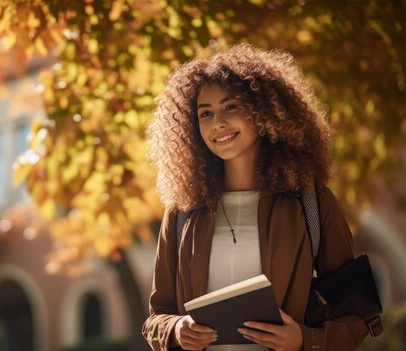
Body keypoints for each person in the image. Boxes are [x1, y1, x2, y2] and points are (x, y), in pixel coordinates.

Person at [142, 44, 369, 351]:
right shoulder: (182, 211)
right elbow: (157, 317)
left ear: (264, 112)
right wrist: (177, 329)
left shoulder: (312, 203)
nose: (217, 123)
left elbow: (356, 317)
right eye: (205, 113)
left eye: (231, 107)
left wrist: (304, 339)